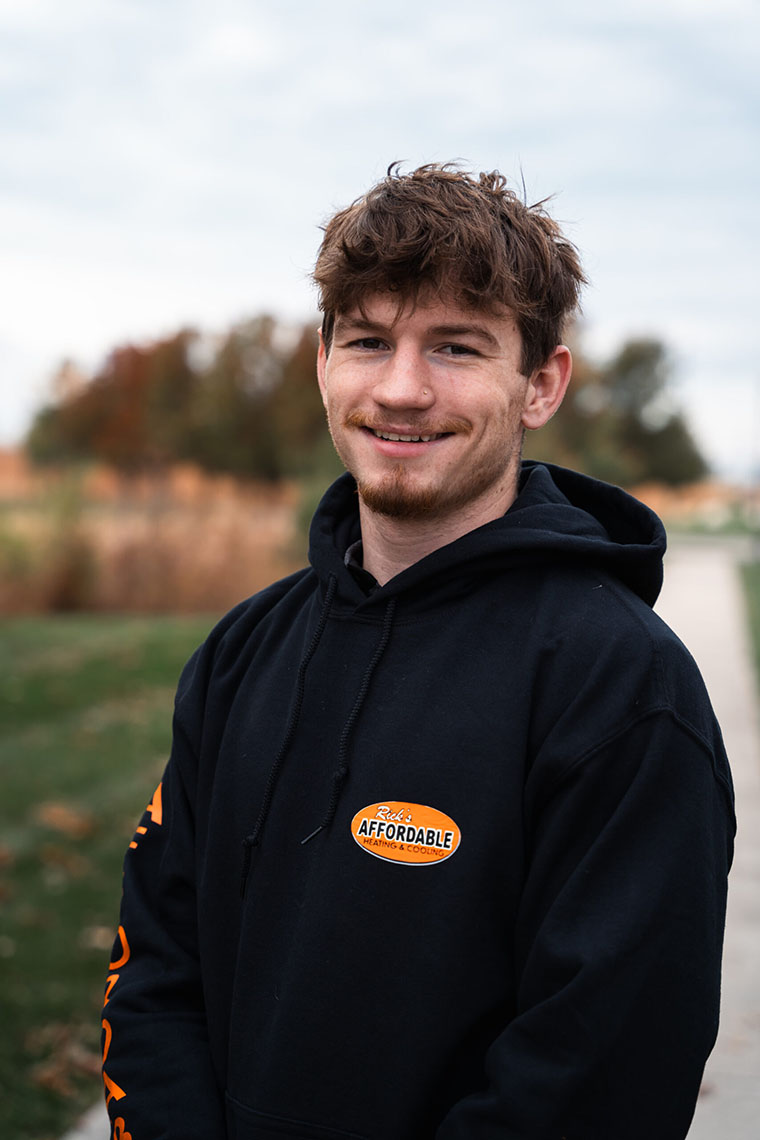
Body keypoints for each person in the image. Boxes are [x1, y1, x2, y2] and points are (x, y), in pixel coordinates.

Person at [101, 163, 735, 1140]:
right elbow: (154, 966)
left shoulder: (619, 686)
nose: (401, 390)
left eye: (455, 347)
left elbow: (598, 1074)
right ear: (323, 366)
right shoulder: (241, 653)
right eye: (368, 341)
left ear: (540, 383)